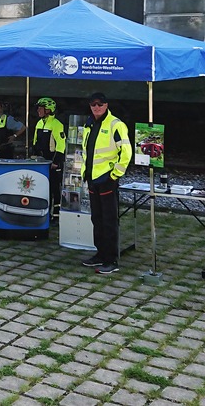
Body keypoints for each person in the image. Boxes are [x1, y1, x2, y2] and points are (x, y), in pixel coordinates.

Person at [80, 92, 131, 274]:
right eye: (93, 104)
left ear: (106, 105)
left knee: (109, 221)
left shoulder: (115, 125)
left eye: (100, 104)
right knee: (97, 219)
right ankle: (100, 254)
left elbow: (126, 152)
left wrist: (114, 175)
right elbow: (86, 152)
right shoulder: (89, 124)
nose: (96, 107)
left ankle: (111, 260)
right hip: (93, 179)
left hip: (107, 180)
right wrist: (84, 173)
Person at [30, 97, 66, 220]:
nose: (38, 110)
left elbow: (61, 145)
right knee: (43, 188)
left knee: (55, 188)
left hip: (53, 162)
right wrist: (33, 156)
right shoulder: (39, 123)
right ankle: (44, 211)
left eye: (41, 108)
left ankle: (56, 215)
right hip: (41, 162)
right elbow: (35, 142)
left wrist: (56, 162)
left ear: (48, 110)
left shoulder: (57, 124)